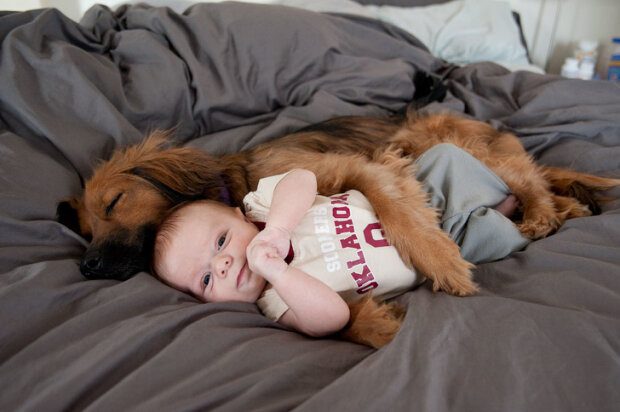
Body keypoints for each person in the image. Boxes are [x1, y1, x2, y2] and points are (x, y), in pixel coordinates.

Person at [152, 143, 530, 338]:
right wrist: (279, 274)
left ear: (239, 215)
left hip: (411, 198)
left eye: (221, 242)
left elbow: (302, 177)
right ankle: (503, 213)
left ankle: (496, 190)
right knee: (497, 239)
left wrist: (279, 230)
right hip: (441, 247)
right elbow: (332, 318)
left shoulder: (263, 208)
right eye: (206, 280)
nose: (221, 264)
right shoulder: (277, 301)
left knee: (445, 156)